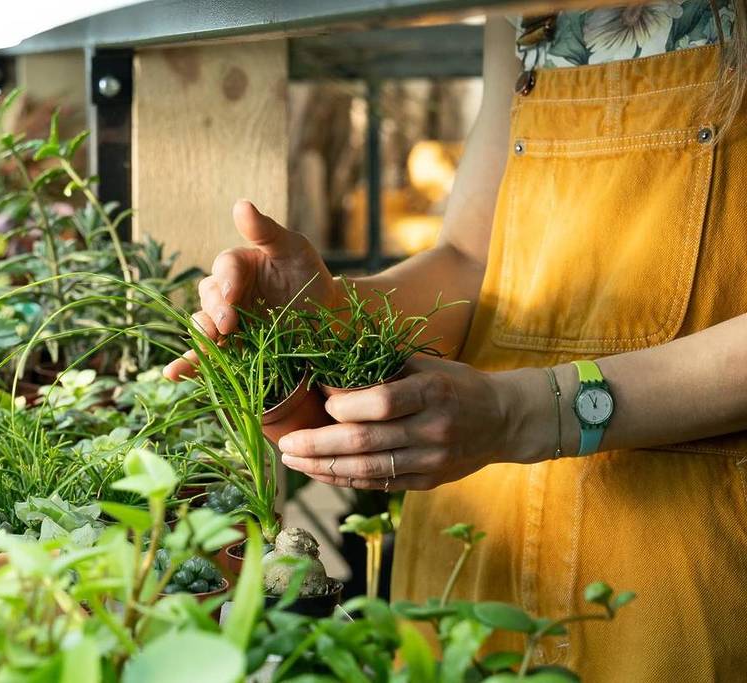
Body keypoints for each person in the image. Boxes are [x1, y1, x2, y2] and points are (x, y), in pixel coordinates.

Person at [165, 3, 747, 680]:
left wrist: (522, 412)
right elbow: (472, 259)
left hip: (676, 559)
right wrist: (331, 310)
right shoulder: (520, 17)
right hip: (477, 538)